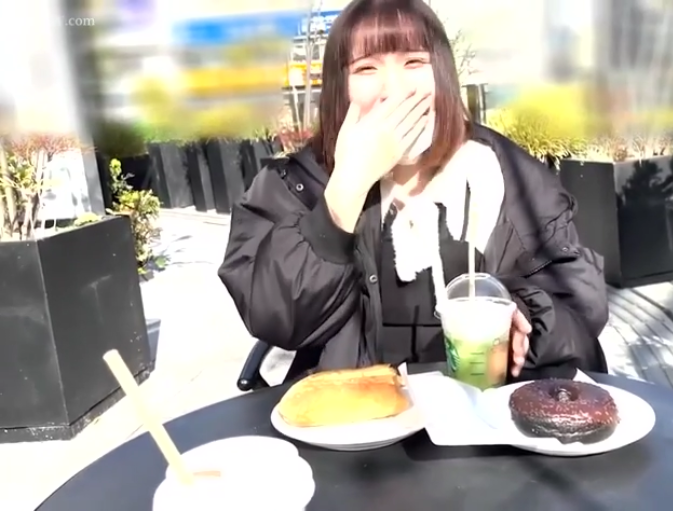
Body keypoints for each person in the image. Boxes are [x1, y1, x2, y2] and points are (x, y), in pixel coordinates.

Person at [218, 0, 609, 383]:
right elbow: (274, 318)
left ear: (442, 74)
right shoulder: (297, 184)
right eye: (367, 68)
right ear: (340, 87)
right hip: (354, 416)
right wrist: (345, 191)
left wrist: (523, 315)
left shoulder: (506, 173)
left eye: (414, 62)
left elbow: (579, 309)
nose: (396, 90)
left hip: (486, 412)